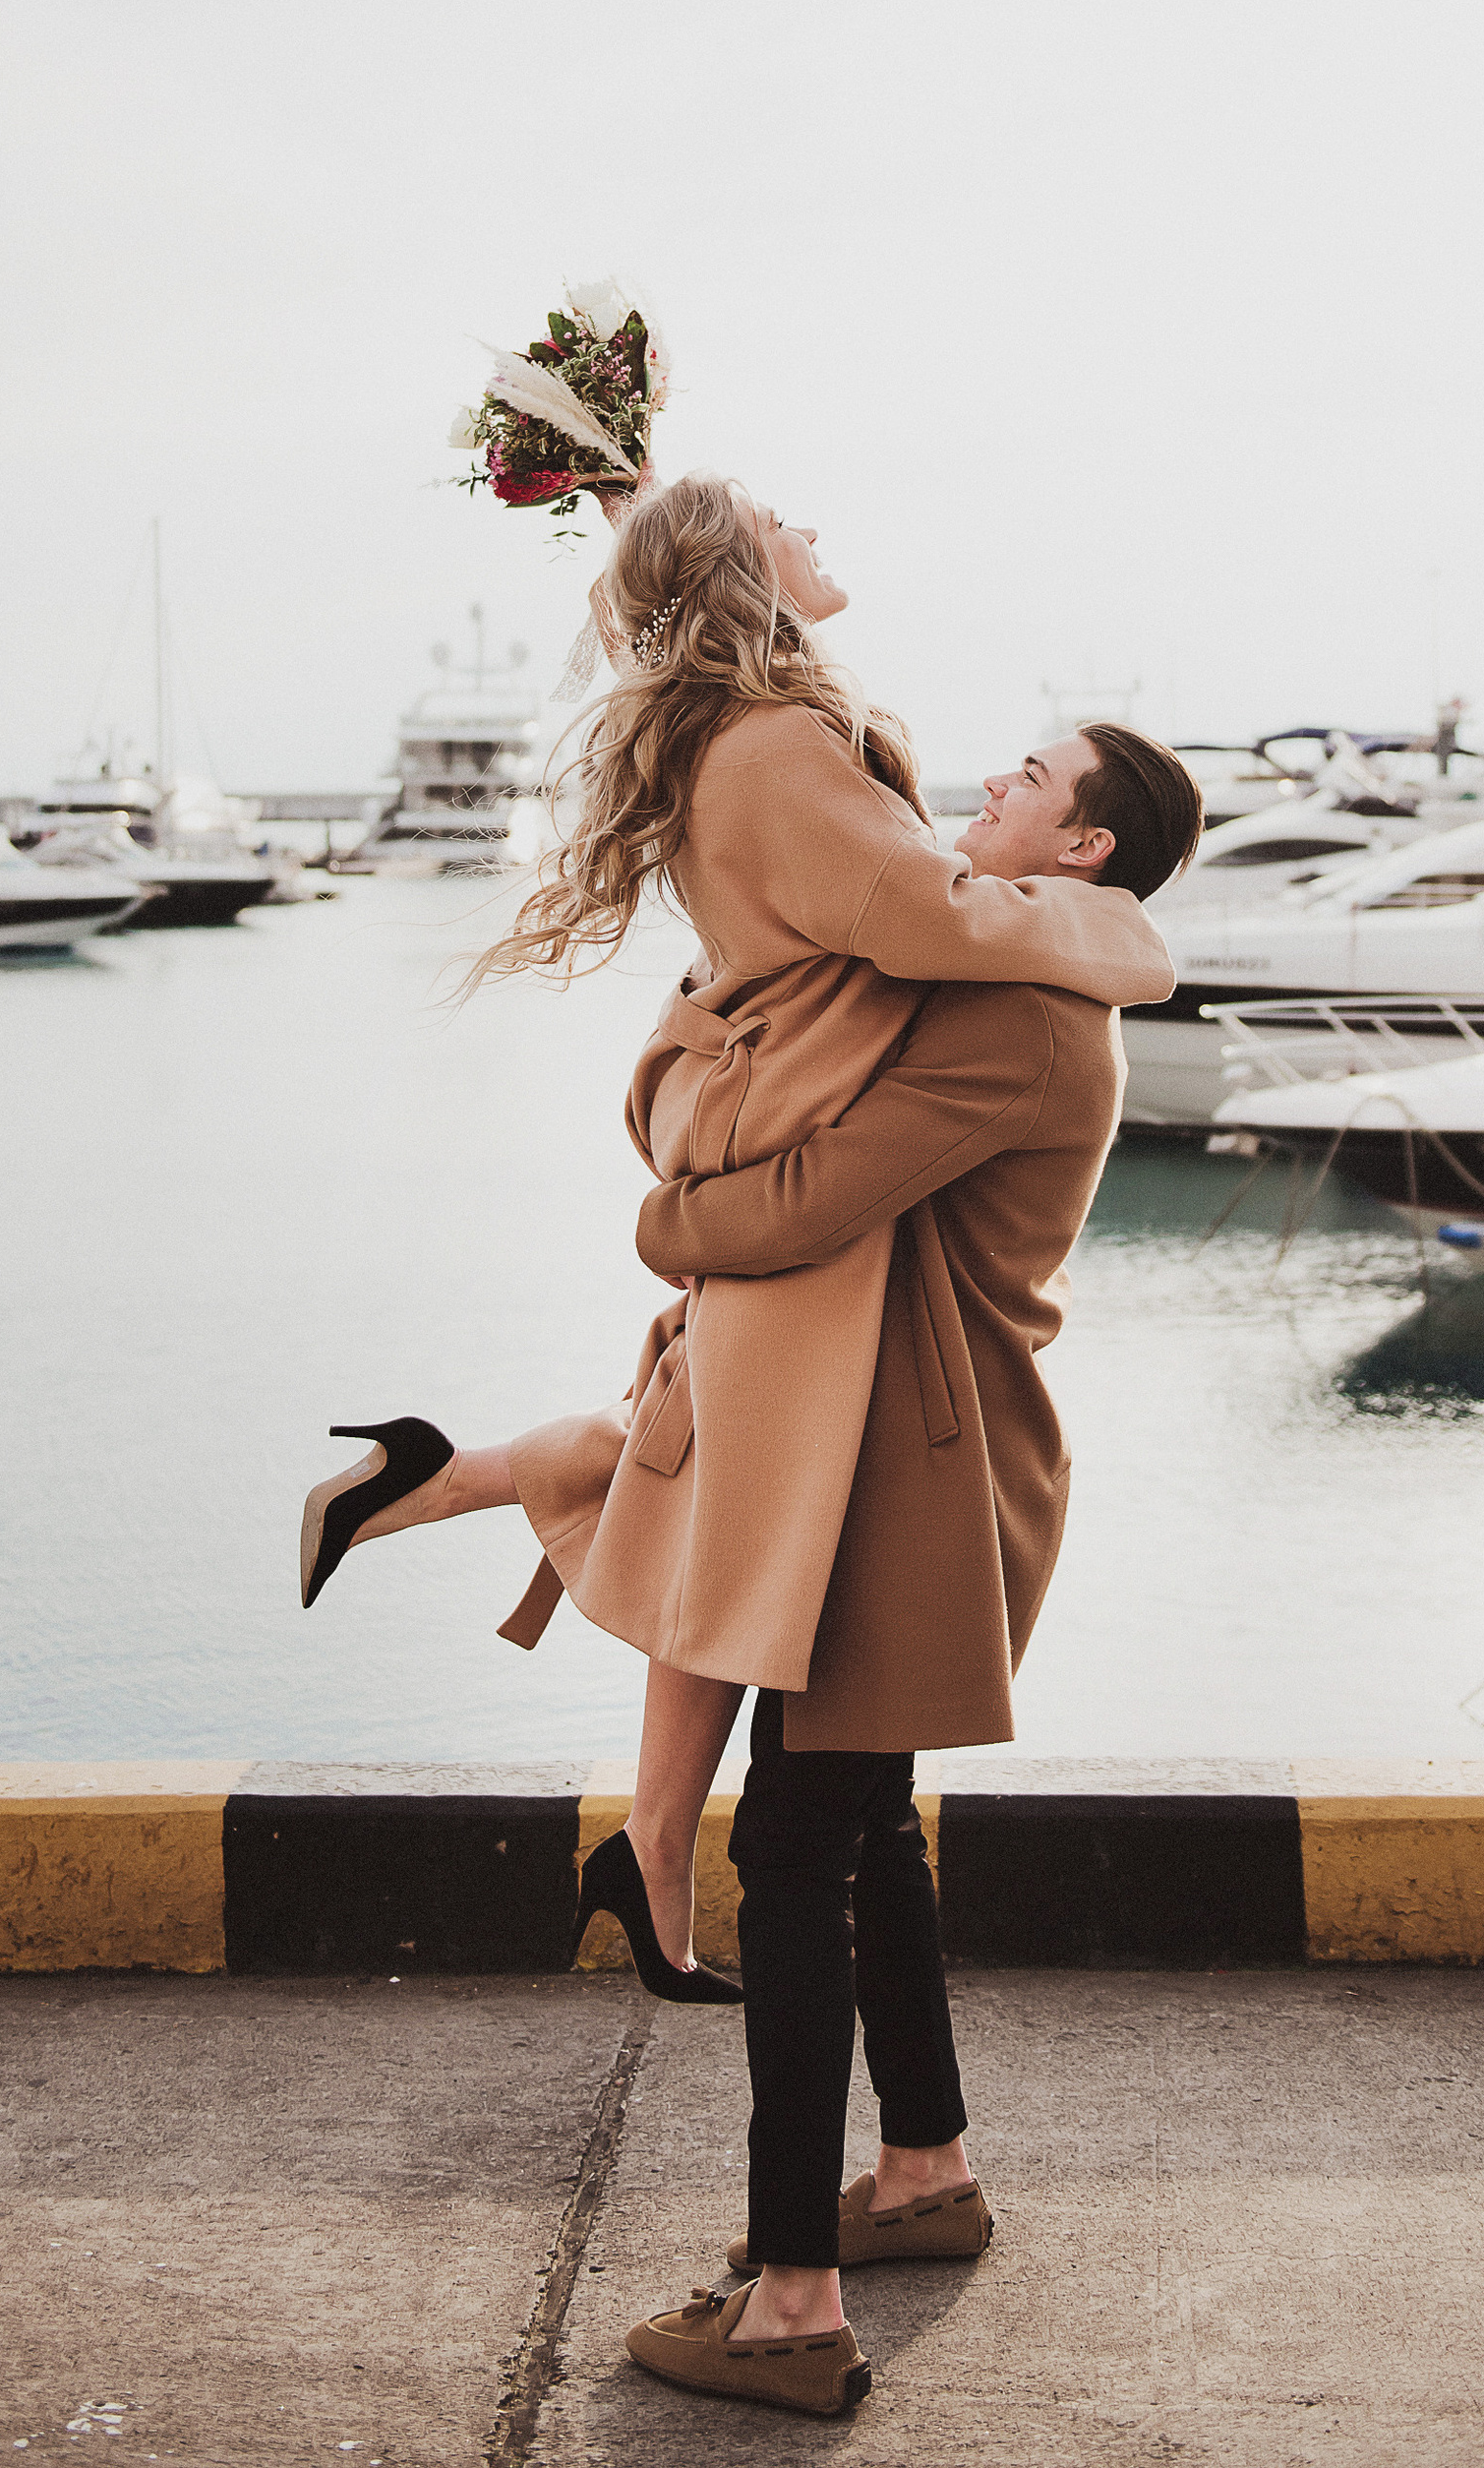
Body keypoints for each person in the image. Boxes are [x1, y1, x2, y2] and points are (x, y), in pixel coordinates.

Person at [296, 475, 1175, 2015]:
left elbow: (887, 875)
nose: (820, 522)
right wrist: (1123, 937)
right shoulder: (777, 745)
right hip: (791, 1152)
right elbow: (931, 913)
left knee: (703, 1490)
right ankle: (682, 1911)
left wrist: (646, 495)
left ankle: (620, 1804)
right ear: (742, 574)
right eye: (783, 516)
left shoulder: (761, 723)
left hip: (784, 1130)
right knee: (728, 1520)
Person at [615, 713, 1202, 2416]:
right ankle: (923, 2172)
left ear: (1084, 851)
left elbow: (806, 1201)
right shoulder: (1002, 977)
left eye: (1032, 779)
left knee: (794, 1850)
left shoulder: (1025, 1022)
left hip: (924, 1488)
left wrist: (663, 1227)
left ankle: (792, 2304)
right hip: (909, 1464)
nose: (992, 782)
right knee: (861, 1824)